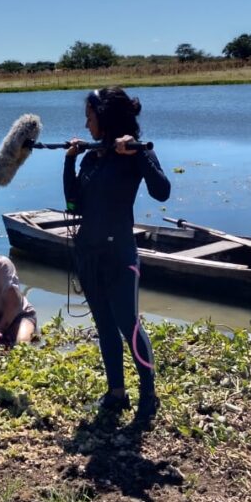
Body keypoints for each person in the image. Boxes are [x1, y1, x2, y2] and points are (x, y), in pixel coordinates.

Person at [64, 87, 171, 423]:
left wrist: (135, 154)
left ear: (105, 117)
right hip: (89, 254)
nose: (86, 123)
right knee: (105, 326)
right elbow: (73, 204)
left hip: (120, 254)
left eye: (90, 117)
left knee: (129, 325)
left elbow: (162, 190)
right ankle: (116, 394)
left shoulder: (137, 151)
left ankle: (148, 395)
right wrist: (69, 161)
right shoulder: (92, 156)